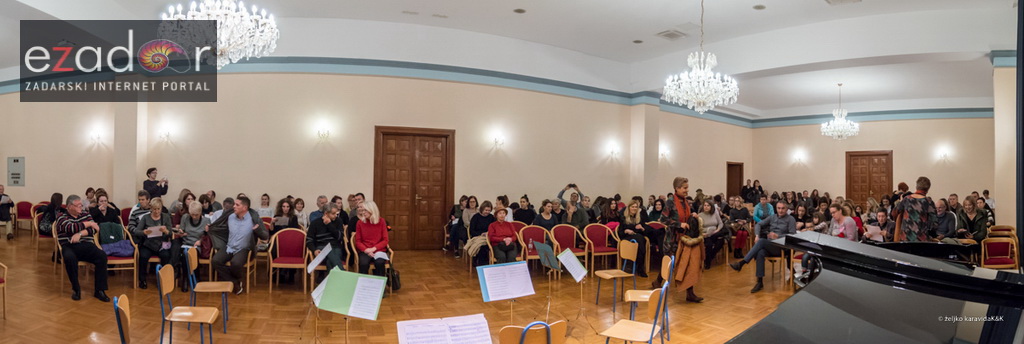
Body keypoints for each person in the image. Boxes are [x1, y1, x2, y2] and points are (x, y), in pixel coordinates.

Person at [730, 201, 796, 293]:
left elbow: (792, 235)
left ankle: (742, 263)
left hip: (781, 247)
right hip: (769, 244)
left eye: (783, 208)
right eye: (779, 208)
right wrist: (757, 235)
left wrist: (778, 236)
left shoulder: (791, 219)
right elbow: (758, 224)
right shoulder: (772, 217)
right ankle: (759, 282)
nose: (780, 211)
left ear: (787, 209)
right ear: (776, 208)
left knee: (761, 242)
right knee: (760, 252)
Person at [208, 196, 268, 294]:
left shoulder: (253, 218)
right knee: (215, 260)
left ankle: (234, 281)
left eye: (237, 205)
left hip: (244, 248)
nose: (233, 206)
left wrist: (258, 230)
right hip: (230, 247)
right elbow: (220, 228)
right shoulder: (230, 216)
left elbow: (265, 236)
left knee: (235, 263)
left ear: (244, 208)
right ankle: (235, 282)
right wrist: (211, 228)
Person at [56, 194, 110, 301]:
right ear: (70, 206)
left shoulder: (85, 214)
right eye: (78, 205)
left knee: (102, 256)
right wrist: (89, 223)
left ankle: (99, 290)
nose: (81, 207)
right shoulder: (61, 217)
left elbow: (95, 229)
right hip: (69, 246)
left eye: (81, 205)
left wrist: (80, 234)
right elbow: (70, 227)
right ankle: (76, 289)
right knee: (69, 258)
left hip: (85, 245)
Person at [659, 177, 703, 302]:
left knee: (687, 264)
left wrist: (693, 215)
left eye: (687, 187)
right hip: (671, 239)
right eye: (684, 188)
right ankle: (658, 283)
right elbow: (663, 219)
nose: (687, 190)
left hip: (684, 239)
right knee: (670, 265)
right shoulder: (670, 202)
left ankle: (690, 293)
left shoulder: (685, 201)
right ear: (677, 188)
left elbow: (686, 216)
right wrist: (679, 224)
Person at [134, 197, 174, 289]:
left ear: (161, 208)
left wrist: (166, 231)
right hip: (148, 244)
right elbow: (137, 231)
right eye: (154, 209)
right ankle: (142, 280)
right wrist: (144, 232)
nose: (156, 211)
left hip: (161, 244)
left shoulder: (166, 217)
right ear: (151, 208)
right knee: (143, 256)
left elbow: (171, 233)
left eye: (158, 209)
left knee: (166, 256)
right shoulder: (145, 217)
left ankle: (162, 280)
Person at [891, 176, 937, 242]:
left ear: (916, 186)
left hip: (905, 239)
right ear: (928, 189)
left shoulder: (906, 199)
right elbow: (934, 224)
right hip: (922, 240)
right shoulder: (929, 202)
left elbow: (894, 212)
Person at [178, 201, 209, 289]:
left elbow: (208, 236)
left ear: (200, 213)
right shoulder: (185, 217)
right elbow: (182, 231)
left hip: (197, 244)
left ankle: (195, 277)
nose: (194, 217)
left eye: (196, 215)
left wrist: (201, 241)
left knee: (192, 254)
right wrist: (181, 232)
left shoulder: (206, 220)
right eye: (192, 214)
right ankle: (185, 278)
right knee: (184, 255)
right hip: (186, 243)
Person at [306, 203, 346, 271]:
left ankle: (331, 280)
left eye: (336, 213)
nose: (335, 216)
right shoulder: (315, 223)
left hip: (336, 247)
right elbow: (309, 240)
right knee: (329, 250)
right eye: (333, 214)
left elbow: (340, 237)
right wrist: (314, 250)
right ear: (326, 213)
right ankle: (342, 273)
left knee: (330, 262)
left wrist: (329, 224)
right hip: (321, 248)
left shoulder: (338, 221)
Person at [354, 201, 389, 276]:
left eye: (365, 210)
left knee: (379, 263)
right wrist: (366, 250)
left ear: (372, 210)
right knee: (363, 263)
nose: (363, 212)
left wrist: (373, 249)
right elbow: (358, 241)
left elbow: (385, 240)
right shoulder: (360, 223)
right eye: (363, 210)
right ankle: (364, 285)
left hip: (378, 250)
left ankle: (379, 286)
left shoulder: (381, 221)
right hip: (365, 250)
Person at [618, 200, 650, 277]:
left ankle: (639, 267)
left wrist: (642, 228)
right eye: (633, 207)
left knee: (641, 239)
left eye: (636, 207)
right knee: (639, 239)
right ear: (629, 208)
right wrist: (626, 231)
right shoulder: (623, 217)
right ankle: (639, 268)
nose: (634, 208)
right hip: (626, 237)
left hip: (638, 237)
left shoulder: (640, 218)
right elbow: (620, 232)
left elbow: (643, 232)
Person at [698, 200, 726, 270]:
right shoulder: (700, 215)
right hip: (706, 234)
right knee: (709, 245)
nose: (706, 207)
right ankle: (708, 262)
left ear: (711, 207)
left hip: (715, 233)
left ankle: (710, 257)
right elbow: (698, 228)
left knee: (721, 241)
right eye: (705, 205)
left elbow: (720, 223)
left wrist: (717, 230)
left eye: (708, 205)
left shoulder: (715, 214)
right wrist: (703, 233)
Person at [469, 201, 496, 266]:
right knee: (482, 245)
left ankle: (488, 262)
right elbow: (472, 230)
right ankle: (481, 263)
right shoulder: (476, 217)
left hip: (488, 236)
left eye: (489, 210)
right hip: (477, 236)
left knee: (490, 244)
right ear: (482, 208)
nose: (487, 212)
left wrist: (487, 233)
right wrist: (481, 234)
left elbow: (494, 229)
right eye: (486, 210)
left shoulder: (491, 217)